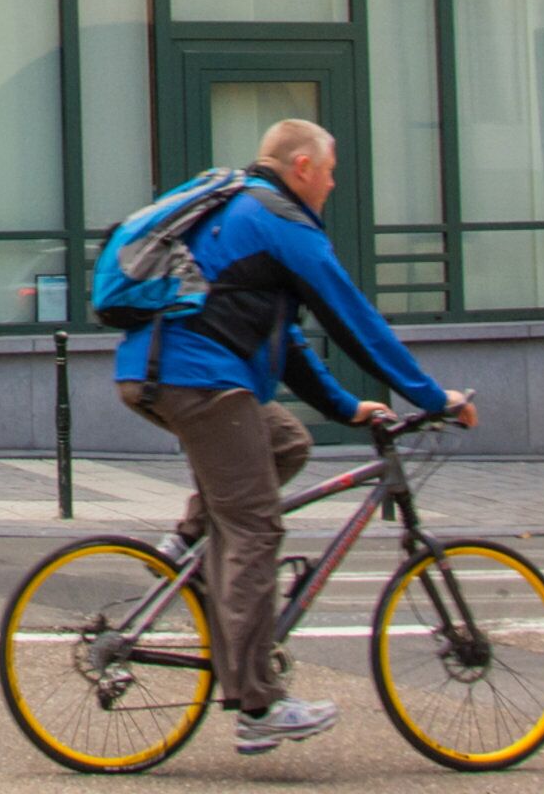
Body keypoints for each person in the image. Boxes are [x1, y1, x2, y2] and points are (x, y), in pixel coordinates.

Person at [116, 118, 473, 757]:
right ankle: (258, 706)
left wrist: (344, 407)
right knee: (255, 528)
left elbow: (289, 342)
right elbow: (355, 317)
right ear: (302, 165)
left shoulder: (243, 213)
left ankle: (191, 540)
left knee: (286, 443)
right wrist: (431, 396)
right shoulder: (277, 219)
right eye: (331, 172)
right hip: (197, 380)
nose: (334, 184)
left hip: (176, 373)